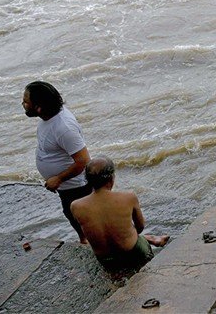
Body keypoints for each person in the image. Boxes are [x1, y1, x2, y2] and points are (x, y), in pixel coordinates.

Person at [22, 81, 92, 244]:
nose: (23, 104)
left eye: (26, 102)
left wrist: (58, 179)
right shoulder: (49, 117)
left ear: (39, 107)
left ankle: (90, 243)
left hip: (76, 185)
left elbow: (83, 161)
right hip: (66, 186)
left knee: (83, 217)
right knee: (71, 214)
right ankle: (84, 240)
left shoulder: (64, 127)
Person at [70, 157, 169, 271]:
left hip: (106, 260)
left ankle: (151, 239)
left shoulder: (76, 206)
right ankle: (150, 239)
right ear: (112, 178)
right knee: (129, 234)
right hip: (133, 253)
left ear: (88, 180)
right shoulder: (128, 197)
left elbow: (90, 233)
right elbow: (140, 227)